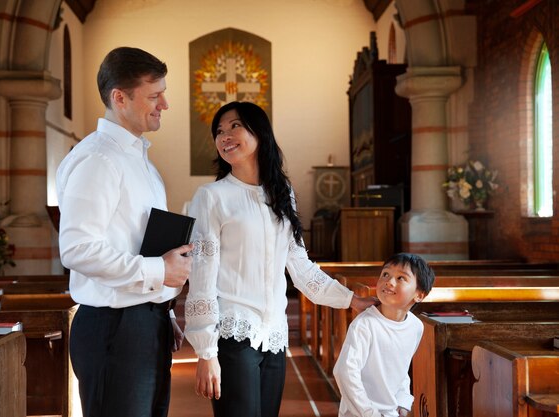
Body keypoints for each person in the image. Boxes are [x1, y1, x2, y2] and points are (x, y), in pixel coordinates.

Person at [183, 101, 378, 417]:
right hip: (234, 331)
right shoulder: (211, 197)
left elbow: (300, 265)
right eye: (219, 131)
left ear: (259, 132)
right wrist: (206, 351)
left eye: (235, 126)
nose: (225, 136)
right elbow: (202, 277)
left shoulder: (282, 192)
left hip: (274, 333)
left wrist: (351, 300)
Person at [56, 46, 193, 417]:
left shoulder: (142, 163)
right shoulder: (98, 159)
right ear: (120, 97)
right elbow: (77, 248)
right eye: (154, 95)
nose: (164, 103)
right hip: (112, 329)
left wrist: (162, 311)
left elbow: (136, 242)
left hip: (143, 322)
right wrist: (159, 271)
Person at [332, 253, 436, 417]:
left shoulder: (415, 327)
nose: (389, 281)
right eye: (385, 274)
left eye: (401, 278)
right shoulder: (365, 324)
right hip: (359, 413)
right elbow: (345, 372)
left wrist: (403, 401)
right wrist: (369, 412)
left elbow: (401, 369)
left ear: (419, 294)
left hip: (390, 412)